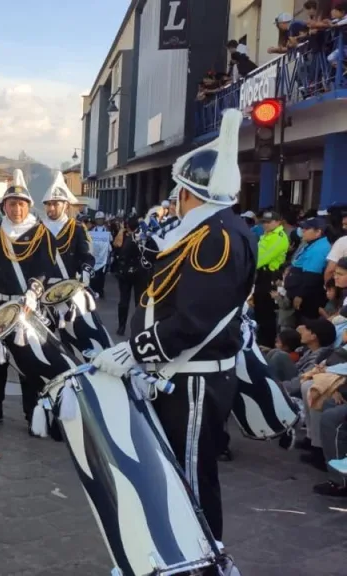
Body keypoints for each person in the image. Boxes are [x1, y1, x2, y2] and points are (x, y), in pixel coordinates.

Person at [92, 109, 256, 544]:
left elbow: (195, 319)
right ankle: (183, 552)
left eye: (178, 192)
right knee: (177, 472)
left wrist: (136, 350)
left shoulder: (217, 237)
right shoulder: (211, 231)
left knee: (192, 478)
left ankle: (204, 559)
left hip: (194, 377)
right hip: (181, 374)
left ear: (188, 192)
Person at [0, 169, 56, 428]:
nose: (16, 209)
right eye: (11, 204)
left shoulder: (40, 233)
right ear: (4, 207)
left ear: (28, 206)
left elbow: (46, 269)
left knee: (26, 361)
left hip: (24, 305)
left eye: (21, 204)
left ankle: (31, 414)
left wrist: (33, 291)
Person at [255, 210, 290, 347]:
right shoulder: (267, 235)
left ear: (278, 222)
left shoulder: (279, 237)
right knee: (260, 310)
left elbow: (262, 258)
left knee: (267, 312)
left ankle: (267, 343)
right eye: (264, 222)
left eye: (269, 222)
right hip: (262, 275)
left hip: (270, 276)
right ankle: (261, 341)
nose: (266, 225)